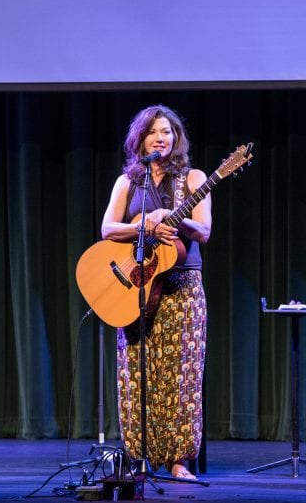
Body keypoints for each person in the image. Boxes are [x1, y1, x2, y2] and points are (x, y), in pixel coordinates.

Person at [101, 105, 210, 480]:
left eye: (166, 132)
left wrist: (173, 219)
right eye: (152, 132)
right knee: (136, 373)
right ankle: (139, 457)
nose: (159, 138)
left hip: (182, 286)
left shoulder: (193, 179)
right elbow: (107, 229)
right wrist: (145, 226)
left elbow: (204, 231)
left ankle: (179, 460)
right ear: (140, 140)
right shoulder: (128, 182)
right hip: (137, 285)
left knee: (181, 374)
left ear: (176, 138)